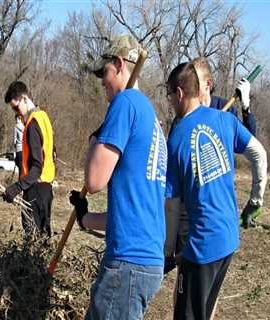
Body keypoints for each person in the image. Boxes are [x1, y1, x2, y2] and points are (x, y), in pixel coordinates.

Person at [68, 35, 168, 319]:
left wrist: (97, 139)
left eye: (105, 74)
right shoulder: (150, 117)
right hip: (146, 262)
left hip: (127, 265)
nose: (102, 83)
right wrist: (85, 218)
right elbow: (132, 213)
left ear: (120, 64)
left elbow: (94, 181)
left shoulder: (125, 104)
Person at [164, 62, 267, 320]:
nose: (169, 103)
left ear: (179, 94)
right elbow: (260, 154)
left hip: (201, 246)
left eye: (168, 96)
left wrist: (166, 251)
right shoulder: (224, 120)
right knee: (205, 310)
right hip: (229, 237)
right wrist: (256, 198)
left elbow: (172, 205)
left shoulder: (176, 138)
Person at [3, 81, 55, 238]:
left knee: (33, 239)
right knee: (43, 239)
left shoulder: (32, 125)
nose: (16, 113)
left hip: (35, 190)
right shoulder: (43, 117)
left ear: (24, 98)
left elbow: (37, 166)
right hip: (46, 189)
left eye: (16, 108)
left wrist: (16, 188)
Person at [193, 57, 256, 135]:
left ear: (208, 84)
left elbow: (248, 139)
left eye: (195, 83)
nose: (190, 87)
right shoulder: (186, 113)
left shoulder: (227, 110)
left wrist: (245, 108)